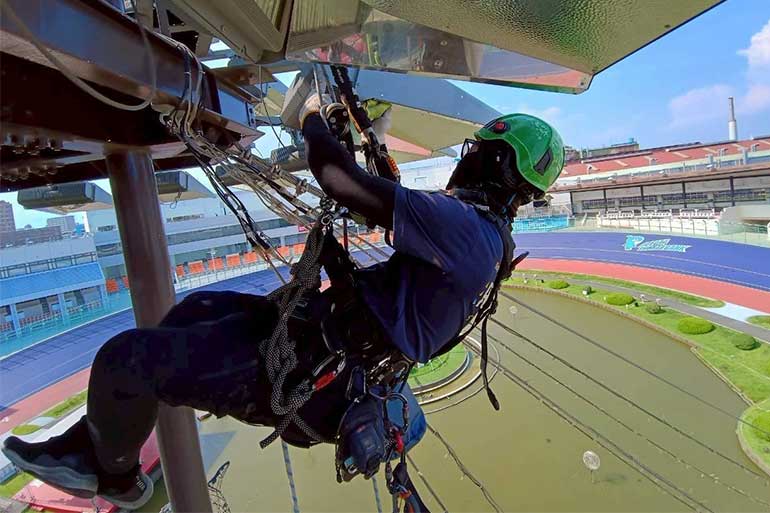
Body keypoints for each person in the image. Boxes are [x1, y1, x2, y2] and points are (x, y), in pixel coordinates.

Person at [2, 72, 565, 509]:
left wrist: (314, 121)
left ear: (495, 159)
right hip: (326, 351)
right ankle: (85, 447)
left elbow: (341, 182)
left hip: (314, 373)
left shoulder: (464, 227)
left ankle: (119, 478)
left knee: (124, 359)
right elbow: (384, 198)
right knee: (195, 308)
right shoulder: (485, 235)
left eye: (475, 153)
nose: (463, 161)